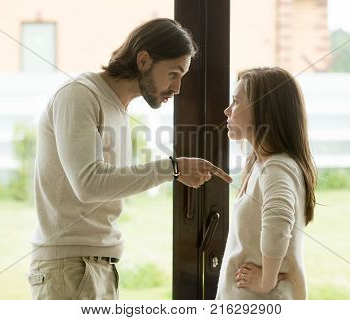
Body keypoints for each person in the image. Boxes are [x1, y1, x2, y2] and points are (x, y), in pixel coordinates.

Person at [28, 18, 232, 300]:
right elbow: (88, 184)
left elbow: (108, 185)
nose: (178, 87)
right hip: (69, 267)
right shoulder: (80, 95)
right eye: (173, 74)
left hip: (97, 265)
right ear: (144, 59)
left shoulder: (118, 108)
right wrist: (173, 168)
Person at [216, 67, 317, 300]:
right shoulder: (259, 164)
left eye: (236, 101)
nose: (227, 110)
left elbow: (278, 221)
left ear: (263, 110)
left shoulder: (276, 167)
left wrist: (267, 280)